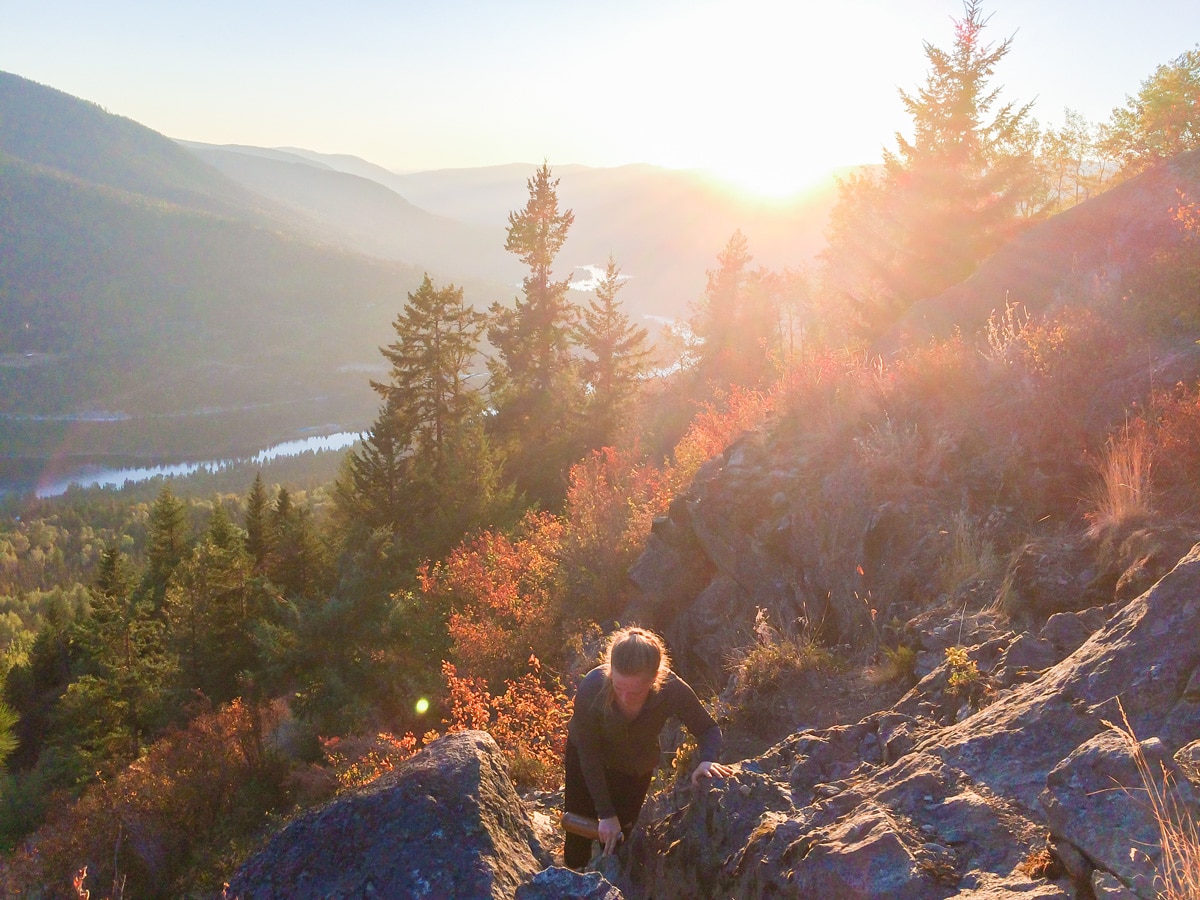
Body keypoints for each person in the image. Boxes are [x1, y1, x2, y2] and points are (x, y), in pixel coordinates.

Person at [563, 625, 733, 869]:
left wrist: (707, 759)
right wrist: (605, 813)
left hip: (633, 767)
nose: (624, 697)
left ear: (654, 679)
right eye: (618, 687)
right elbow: (588, 755)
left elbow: (708, 729)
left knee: (619, 842)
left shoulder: (671, 689)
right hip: (586, 761)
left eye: (635, 692)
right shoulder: (592, 687)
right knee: (578, 839)